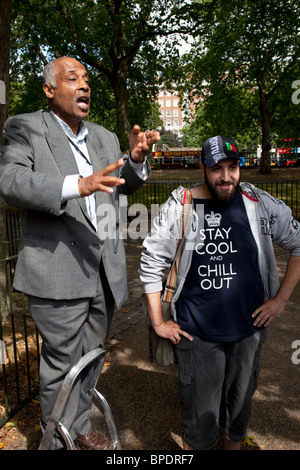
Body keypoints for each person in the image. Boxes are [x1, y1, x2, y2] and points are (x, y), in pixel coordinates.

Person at [0, 57, 160, 450]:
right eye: (73, 79)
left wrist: (136, 160)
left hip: (103, 274)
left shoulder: (104, 137)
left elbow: (122, 186)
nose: (85, 86)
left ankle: (79, 425)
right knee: (61, 367)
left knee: (90, 358)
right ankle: (55, 442)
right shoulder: (24, 127)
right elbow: (11, 180)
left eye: (87, 79)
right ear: (50, 90)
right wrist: (77, 184)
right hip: (57, 273)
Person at [139, 135, 300, 450]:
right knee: (200, 422)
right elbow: (150, 264)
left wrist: (280, 300)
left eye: (232, 167)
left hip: (248, 333)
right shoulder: (182, 205)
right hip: (197, 335)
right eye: (216, 169)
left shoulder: (259, 204)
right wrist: (158, 322)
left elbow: (298, 243)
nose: (226, 177)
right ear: (203, 168)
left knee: (238, 410)